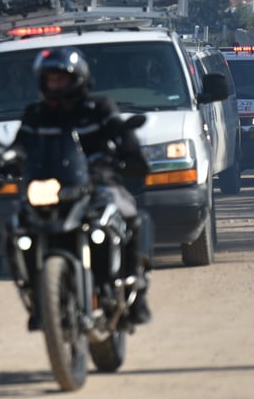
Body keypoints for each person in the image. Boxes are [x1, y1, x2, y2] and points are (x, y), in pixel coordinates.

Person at [9, 46, 153, 326]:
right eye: (51, 79)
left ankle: (136, 287)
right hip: (49, 185)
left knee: (131, 216)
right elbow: (20, 145)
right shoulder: (36, 113)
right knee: (16, 225)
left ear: (78, 79)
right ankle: (36, 295)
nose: (56, 84)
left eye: (62, 78)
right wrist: (2, 161)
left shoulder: (99, 108)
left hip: (97, 182)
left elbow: (120, 133)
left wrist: (131, 152)